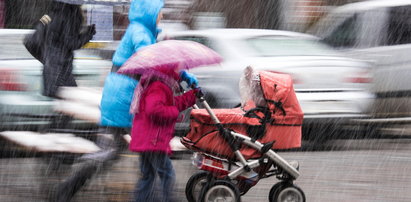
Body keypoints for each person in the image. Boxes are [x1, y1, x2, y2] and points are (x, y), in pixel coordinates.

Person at [129, 66, 199, 202]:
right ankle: (168, 199)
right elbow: (154, 110)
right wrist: (173, 112)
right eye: (178, 70)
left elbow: (172, 103)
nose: (180, 73)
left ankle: (141, 199)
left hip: (146, 139)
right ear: (169, 71)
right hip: (153, 140)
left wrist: (191, 97)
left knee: (148, 174)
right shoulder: (158, 86)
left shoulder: (159, 84)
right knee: (167, 174)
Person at [42, 1, 95, 98]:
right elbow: (71, 42)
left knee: (68, 102)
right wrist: (88, 34)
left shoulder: (56, 12)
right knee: (72, 101)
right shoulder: (68, 15)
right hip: (60, 69)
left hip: (53, 66)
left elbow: (64, 39)